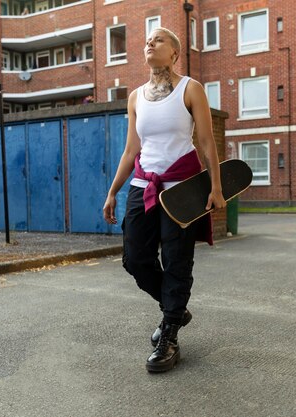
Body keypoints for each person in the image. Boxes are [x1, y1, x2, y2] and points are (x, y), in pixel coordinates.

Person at [103, 27, 226, 373]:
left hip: (182, 189)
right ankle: (175, 308)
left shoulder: (191, 89)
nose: (149, 43)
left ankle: (169, 332)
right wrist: (113, 190)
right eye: (147, 40)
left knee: (176, 260)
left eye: (158, 39)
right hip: (143, 186)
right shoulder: (136, 97)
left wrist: (215, 187)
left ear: (174, 53)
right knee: (135, 259)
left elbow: (205, 141)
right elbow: (131, 149)